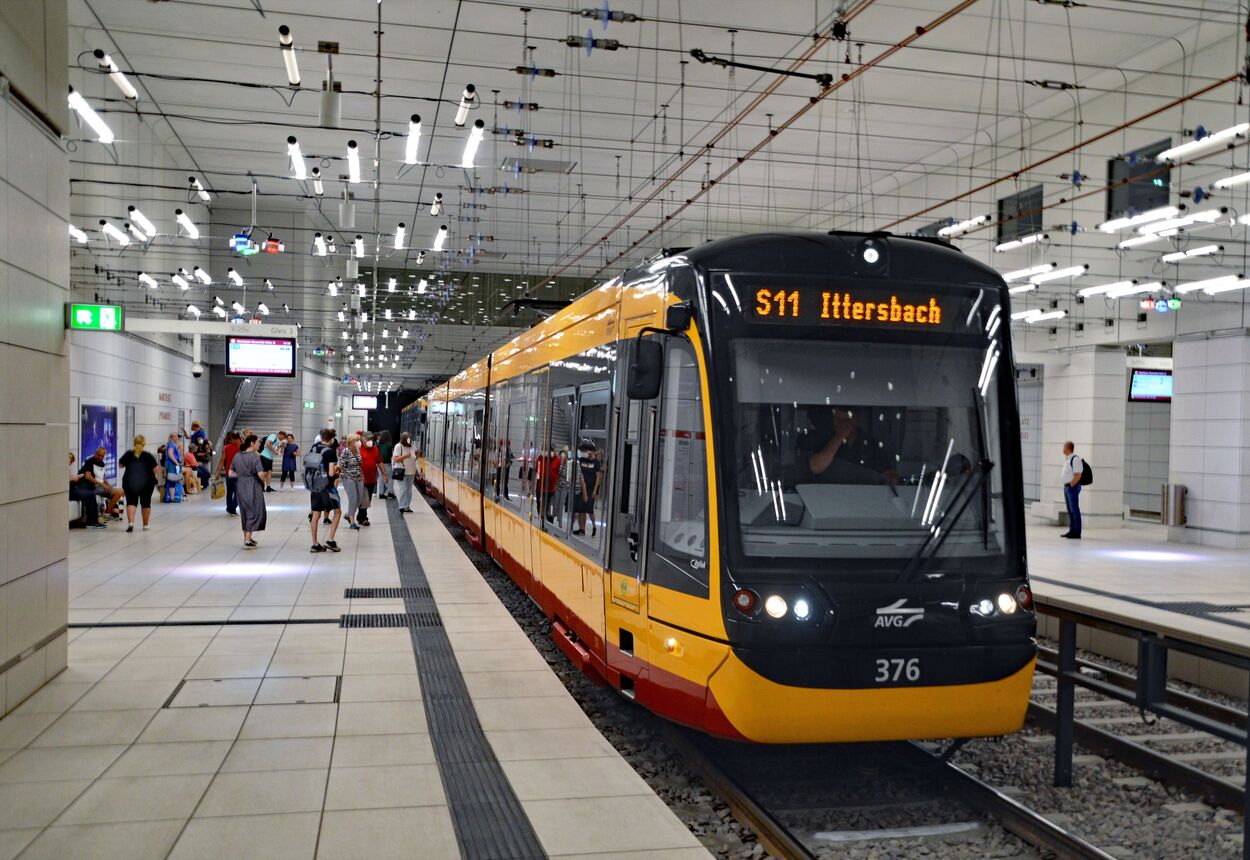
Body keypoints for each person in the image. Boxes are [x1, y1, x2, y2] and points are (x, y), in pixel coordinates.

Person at [802, 406, 899, 485]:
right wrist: (839, 437)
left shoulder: (871, 445)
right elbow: (815, 467)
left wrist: (890, 479)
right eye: (838, 419)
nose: (841, 424)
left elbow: (888, 474)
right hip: (828, 495)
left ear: (856, 420)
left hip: (864, 496)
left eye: (846, 421)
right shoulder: (823, 439)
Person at [231, 434, 267, 548]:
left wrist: (242, 475)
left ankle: (247, 538)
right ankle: (247, 540)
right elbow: (260, 474)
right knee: (254, 511)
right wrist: (264, 475)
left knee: (245, 512)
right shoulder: (255, 457)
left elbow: (231, 473)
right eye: (258, 442)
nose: (259, 444)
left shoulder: (237, 455)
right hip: (253, 485)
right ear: (252, 443)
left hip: (240, 485)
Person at [310, 428, 343, 552]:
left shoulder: (313, 448)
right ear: (331, 439)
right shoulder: (330, 452)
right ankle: (330, 540)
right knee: (337, 511)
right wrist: (338, 468)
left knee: (316, 514)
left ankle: (315, 544)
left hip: (315, 485)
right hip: (328, 488)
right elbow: (331, 473)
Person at [118, 435, 159, 532]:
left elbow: (120, 465)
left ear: (134, 443)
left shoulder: (128, 454)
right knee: (146, 503)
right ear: (144, 443)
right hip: (146, 482)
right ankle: (145, 524)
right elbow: (156, 469)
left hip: (130, 481)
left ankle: (131, 523)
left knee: (131, 502)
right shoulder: (148, 455)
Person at [81, 446, 124, 519]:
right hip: (91, 487)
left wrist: (109, 485)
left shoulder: (102, 463)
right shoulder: (90, 461)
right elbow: (88, 476)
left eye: (102, 456)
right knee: (118, 492)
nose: (100, 457)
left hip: (99, 486)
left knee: (122, 491)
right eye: (99, 455)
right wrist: (102, 484)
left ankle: (110, 511)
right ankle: (108, 512)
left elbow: (102, 478)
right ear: (95, 453)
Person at [338, 434, 366, 530]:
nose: (358, 442)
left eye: (358, 440)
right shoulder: (346, 451)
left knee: (360, 498)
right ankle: (352, 521)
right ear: (350, 442)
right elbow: (340, 465)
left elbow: (359, 464)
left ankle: (348, 514)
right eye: (356, 440)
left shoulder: (357, 450)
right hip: (348, 477)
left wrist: (362, 475)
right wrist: (347, 475)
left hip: (359, 476)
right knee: (353, 498)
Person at [573, 440, 601, 537]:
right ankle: (582, 529)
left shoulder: (596, 462)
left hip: (591, 490)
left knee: (589, 509)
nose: (585, 452)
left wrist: (595, 491)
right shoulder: (582, 460)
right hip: (581, 488)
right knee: (581, 510)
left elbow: (598, 477)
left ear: (592, 451)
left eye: (586, 450)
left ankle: (594, 526)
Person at [69, 451, 104, 528]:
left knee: (90, 494)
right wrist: (72, 478)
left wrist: (75, 478)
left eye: (71, 462)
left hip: (72, 489)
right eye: (69, 460)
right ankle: (92, 522)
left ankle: (93, 521)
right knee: (90, 495)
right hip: (68, 491)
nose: (70, 463)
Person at [1061, 441, 1084, 540]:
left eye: (1063, 447)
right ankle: (1072, 531)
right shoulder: (1068, 459)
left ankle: (1077, 532)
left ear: (1068, 448)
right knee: (1070, 510)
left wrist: (1071, 485)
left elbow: (1078, 475)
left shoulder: (1075, 459)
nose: (1062, 449)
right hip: (1067, 487)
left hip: (1072, 488)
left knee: (1074, 509)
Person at [213, 432, 241, 516]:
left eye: (232, 439)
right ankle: (231, 507)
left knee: (232, 491)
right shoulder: (239, 447)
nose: (231, 441)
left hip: (232, 472)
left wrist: (218, 472)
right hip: (237, 472)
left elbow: (222, 461)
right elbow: (222, 461)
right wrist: (217, 471)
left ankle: (230, 507)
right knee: (236, 491)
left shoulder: (228, 448)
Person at [359, 433, 382, 525]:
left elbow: (379, 461)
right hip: (361, 479)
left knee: (368, 499)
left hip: (372, 479)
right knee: (364, 499)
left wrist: (384, 474)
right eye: (368, 439)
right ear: (363, 440)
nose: (370, 441)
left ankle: (359, 516)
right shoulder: (358, 449)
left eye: (371, 439)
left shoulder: (375, 449)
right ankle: (363, 518)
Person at [392, 431, 416, 513]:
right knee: (402, 489)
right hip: (401, 471)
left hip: (411, 472)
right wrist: (405, 456)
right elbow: (395, 459)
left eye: (410, 438)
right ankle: (401, 506)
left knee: (409, 490)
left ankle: (407, 506)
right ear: (404, 439)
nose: (409, 440)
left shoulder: (412, 446)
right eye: (408, 439)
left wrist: (416, 456)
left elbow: (416, 454)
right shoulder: (398, 446)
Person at [377, 430, 394, 498]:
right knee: (390, 478)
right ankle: (390, 492)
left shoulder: (378, 444)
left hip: (379, 464)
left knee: (380, 478)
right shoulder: (389, 445)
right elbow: (390, 455)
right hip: (387, 463)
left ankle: (381, 493)